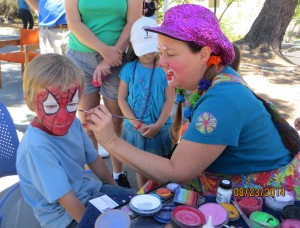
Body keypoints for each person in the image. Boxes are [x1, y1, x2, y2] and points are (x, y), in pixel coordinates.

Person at [83, 4, 300, 200]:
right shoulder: (215, 78)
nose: (162, 62)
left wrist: (110, 141)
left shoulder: (222, 100)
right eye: (160, 52)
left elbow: (177, 172)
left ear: (204, 54)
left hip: (265, 193)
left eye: (170, 53)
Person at [16, 54, 135, 228]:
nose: (64, 116)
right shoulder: (36, 147)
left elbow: (94, 159)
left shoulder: (74, 123)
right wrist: (92, 225)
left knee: (133, 201)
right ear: (30, 104)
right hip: (63, 217)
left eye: (72, 104)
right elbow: (66, 199)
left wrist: (115, 189)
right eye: (51, 106)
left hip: (86, 191)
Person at [65, 0, 142, 188]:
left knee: (115, 122)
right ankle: (92, 180)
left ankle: (117, 174)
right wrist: (104, 50)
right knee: (88, 124)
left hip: (117, 58)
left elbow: (133, 20)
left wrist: (110, 57)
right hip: (81, 58)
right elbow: (74, 22)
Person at [118, 16, 175, 189]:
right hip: (136, 129)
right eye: (143, 50)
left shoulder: (165, 70)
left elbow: (169, 99)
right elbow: (121, 98)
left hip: (160, 128)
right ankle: (144, 195)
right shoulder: (128, 69)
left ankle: (162, 195)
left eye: (151, 49)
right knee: (141, 168)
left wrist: (158, 124)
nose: (148, 54)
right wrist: (136, 123)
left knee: (161, 167)